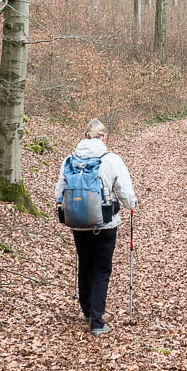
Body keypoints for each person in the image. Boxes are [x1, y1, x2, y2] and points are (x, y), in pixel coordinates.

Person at [55, 118, 137, 336]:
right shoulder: (111, 159)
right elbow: (126, 192)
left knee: (85, 264)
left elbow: (59, 193)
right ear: (103, 137)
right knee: (101, 269)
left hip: (77, 223)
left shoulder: (70, 159)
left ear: (84, 137)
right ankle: (97, 322)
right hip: (105, 223)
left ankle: (87, 310)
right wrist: (130, 205)